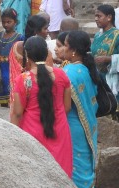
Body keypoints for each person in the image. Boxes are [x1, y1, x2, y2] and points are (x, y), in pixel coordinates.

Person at [10, 36, 73, 176]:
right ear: (47, 53)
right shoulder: (62, 75)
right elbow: (67, 107)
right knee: (61, 177)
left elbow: (17, 113)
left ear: (27, 55)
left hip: (32, 134)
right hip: (59, 132)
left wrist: (12, 137)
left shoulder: (22, 80)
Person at [63, 30, 100, 188]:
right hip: (88, 127)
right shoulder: (86, 69)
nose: (60, 49)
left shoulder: (68, 73)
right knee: (85, 173)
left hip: (73, 128)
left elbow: (65, 106)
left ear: (73, 50)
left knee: (76, 174)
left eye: (64, 45)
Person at [91, 4, 119, 134]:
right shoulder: (97, 36)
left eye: (99, 16)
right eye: (95, 16)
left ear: (109, 17)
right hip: (100, 79)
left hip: (115, 81)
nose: (96, 19)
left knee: (116, 111)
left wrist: (108, 59)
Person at [0, 8, 24, 107]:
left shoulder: (19, 37)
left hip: (11, 66)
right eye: (4, 22)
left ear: (15, 22)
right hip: (0, 66)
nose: (6, 24)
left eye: (9, 22)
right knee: (0, 84)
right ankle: (3, 105)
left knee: (9, 83)